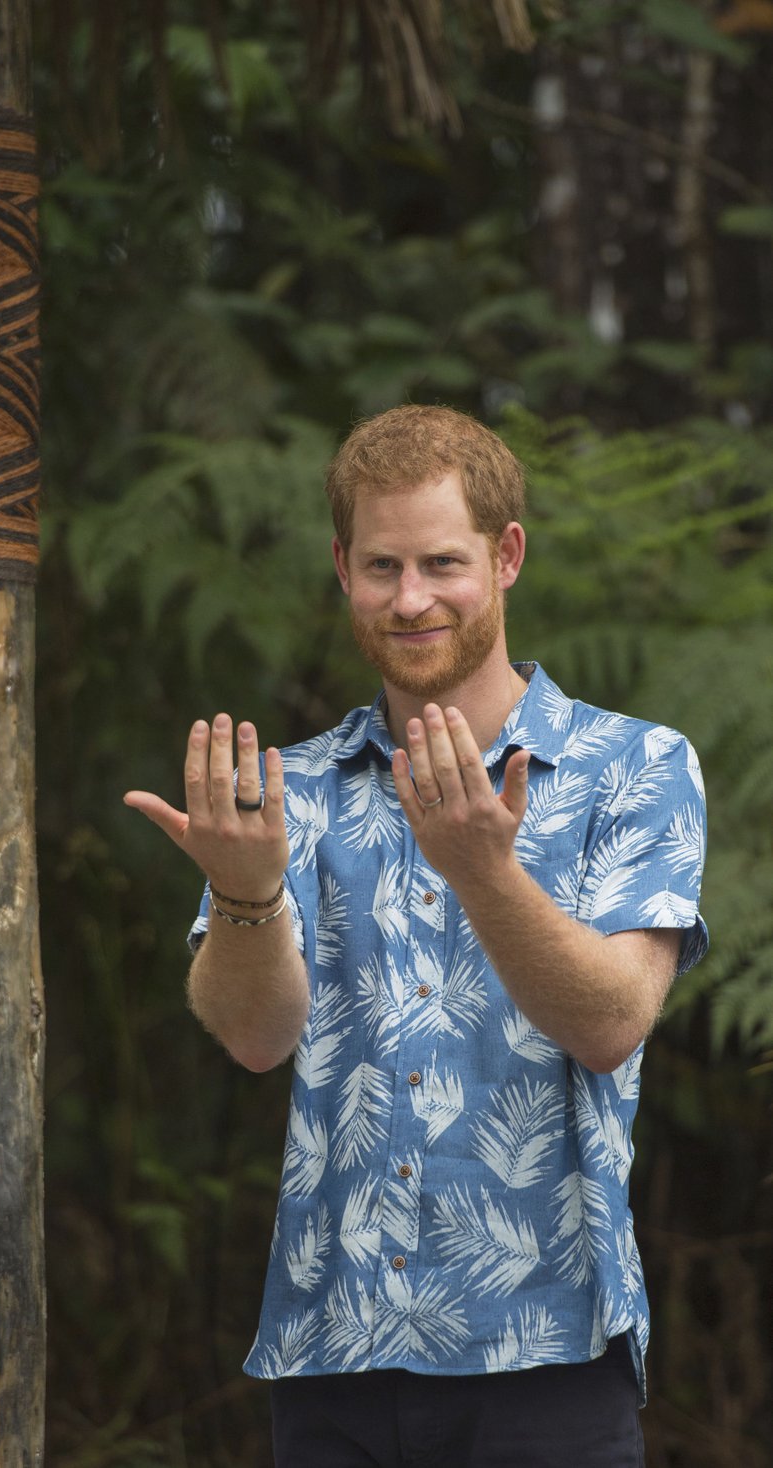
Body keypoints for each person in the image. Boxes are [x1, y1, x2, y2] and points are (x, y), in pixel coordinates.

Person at [124, 404, 708, 1468]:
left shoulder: (637, 768)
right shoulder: (286, 790)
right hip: (332, 1357)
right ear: (341, 567)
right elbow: (255, 1036)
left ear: (508, 556)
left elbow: (613, 1022)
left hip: (552, 1357)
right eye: (382, 565)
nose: (411, 598)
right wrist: (249, 894)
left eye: (442, 561)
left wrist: (483, 869)